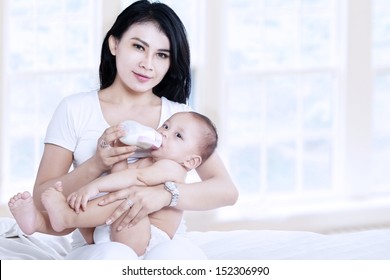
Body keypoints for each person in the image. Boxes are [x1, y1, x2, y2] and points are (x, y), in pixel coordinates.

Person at [8, 0, 238, 260]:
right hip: (98, 244)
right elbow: (41, 199)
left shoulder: (178, 118)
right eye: (139, 47)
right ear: (114, 44)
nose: (148, 64)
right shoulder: (75, 109)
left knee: (176, 261)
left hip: (165, 242)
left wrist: (163, 196)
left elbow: (226, 191)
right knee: (114, 258)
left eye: (162, 55)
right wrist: (96, 163)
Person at [11, 111, 218, 258]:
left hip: (144, 239)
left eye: (178, 135)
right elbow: (121, 177)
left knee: (126, 198)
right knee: (106, 197)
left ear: (191, 161)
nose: (164, 132)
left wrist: (96, 187)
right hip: (110, 230)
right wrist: (120, 150)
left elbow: (136, 179)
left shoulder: (172, 168)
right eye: (166, 125)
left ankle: (63, 216)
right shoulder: (147, 160)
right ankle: (39, 222)